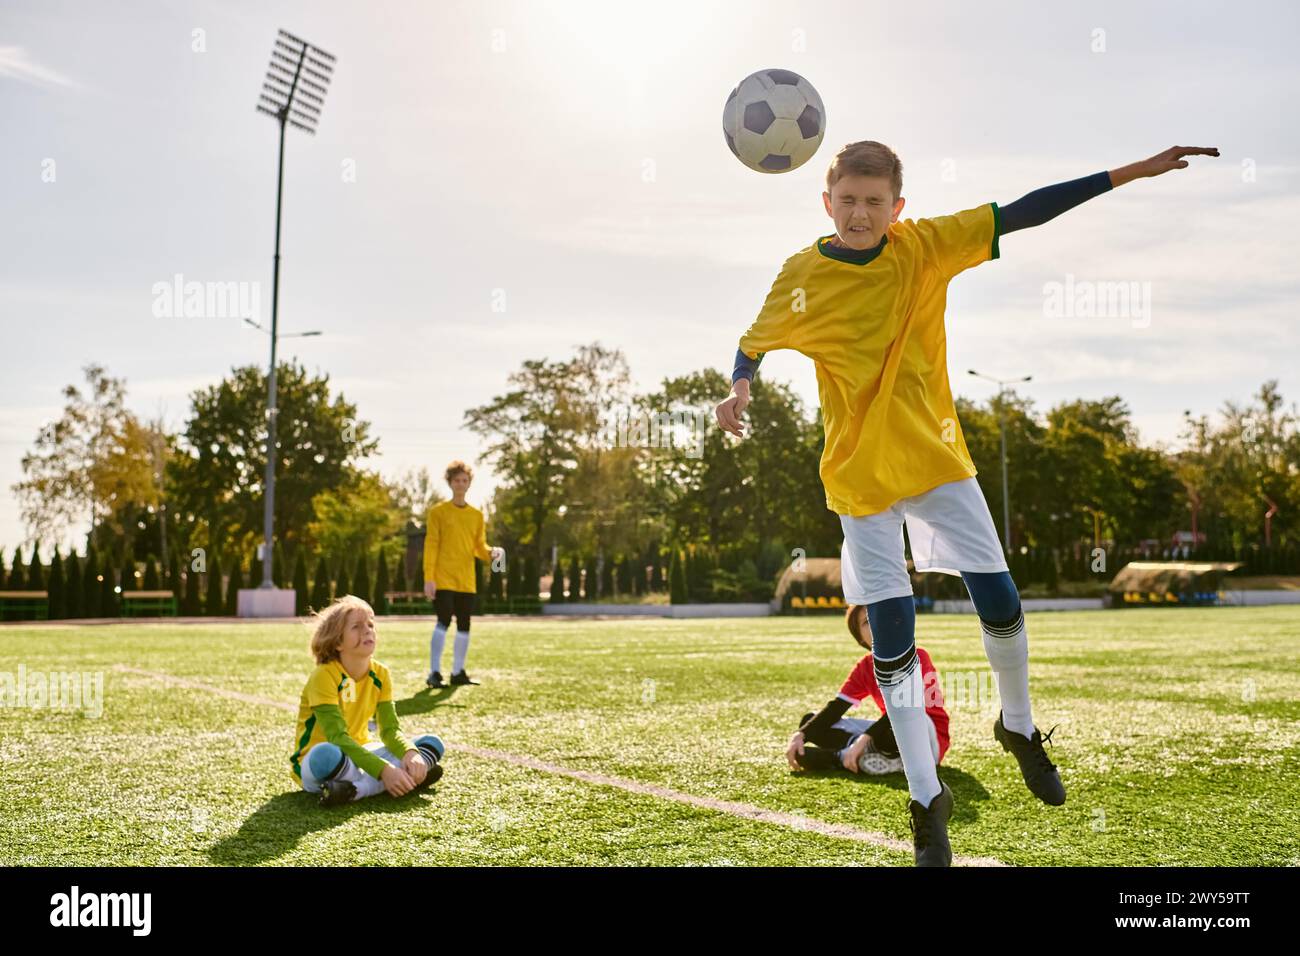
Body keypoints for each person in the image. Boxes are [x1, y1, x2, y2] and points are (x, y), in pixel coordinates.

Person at [716, 140, 1218, 865]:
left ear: (898, 207)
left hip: (937, 460)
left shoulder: (927, 247)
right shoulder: (800, 276)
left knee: (1002, 601)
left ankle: (1017, 725)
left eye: (874, 201)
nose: (860, 213)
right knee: (892, 630)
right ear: (827, 203)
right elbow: (752, 343)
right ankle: (926, 797)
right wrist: (740, 388)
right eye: (847, 200)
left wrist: (1127, 173)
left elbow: (1023, 212)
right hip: (859, 478)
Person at [291, 594, 445, 807]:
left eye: (370, 624)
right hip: (324, 761)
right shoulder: (324, 676)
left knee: (431, 744)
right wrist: (384, 770)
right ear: (337, 642)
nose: (367, 630)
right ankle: (393, 781)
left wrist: (410, 753)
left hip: (362, 754)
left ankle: (354, 790)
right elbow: (337, 737)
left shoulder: (381, 674)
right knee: (324, 755)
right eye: (356, 626)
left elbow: (390, 730)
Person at [788, 603, 950, 776]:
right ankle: (865, 759)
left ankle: (841, 756)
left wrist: (862, 740)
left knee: (901, 722)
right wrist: (801, 735)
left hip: (927, 736)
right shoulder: (865, 666)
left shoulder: (917, 656)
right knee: (811, 721)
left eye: (880, 618)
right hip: (888, 732)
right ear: (860, 638)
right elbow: (836, 708)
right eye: (867, 621)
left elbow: (905, 707)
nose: (877, 624)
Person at [423, 460, 503, 688]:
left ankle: (458, 672)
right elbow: (431, 545)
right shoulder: (438, 512)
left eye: (464, 480)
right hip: (443, 578)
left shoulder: (476, 515)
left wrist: (491, 554)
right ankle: (434, 673)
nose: (461, 484)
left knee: (465, 624)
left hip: (466, 580)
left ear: (469, 483)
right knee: (444, 620)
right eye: (456, 480)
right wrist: (429, 577)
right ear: (450, 483)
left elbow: (479, 546)